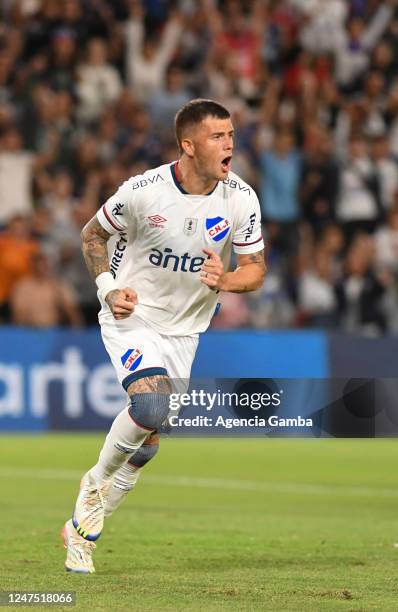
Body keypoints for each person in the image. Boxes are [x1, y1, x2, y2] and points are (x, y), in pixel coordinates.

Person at [61, 99, 266, 573]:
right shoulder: (143, 191)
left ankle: (79, 526)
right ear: (188, 146)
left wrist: (226, 281)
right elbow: (92, 235)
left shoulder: (241, 199)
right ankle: (92, 495)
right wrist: (108, 288)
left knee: (148, 443)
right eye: (218, 136)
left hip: (186, 330)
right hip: (133, 315)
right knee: (149, 407)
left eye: (231, 133)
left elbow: (254, 271)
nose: (229, 142)